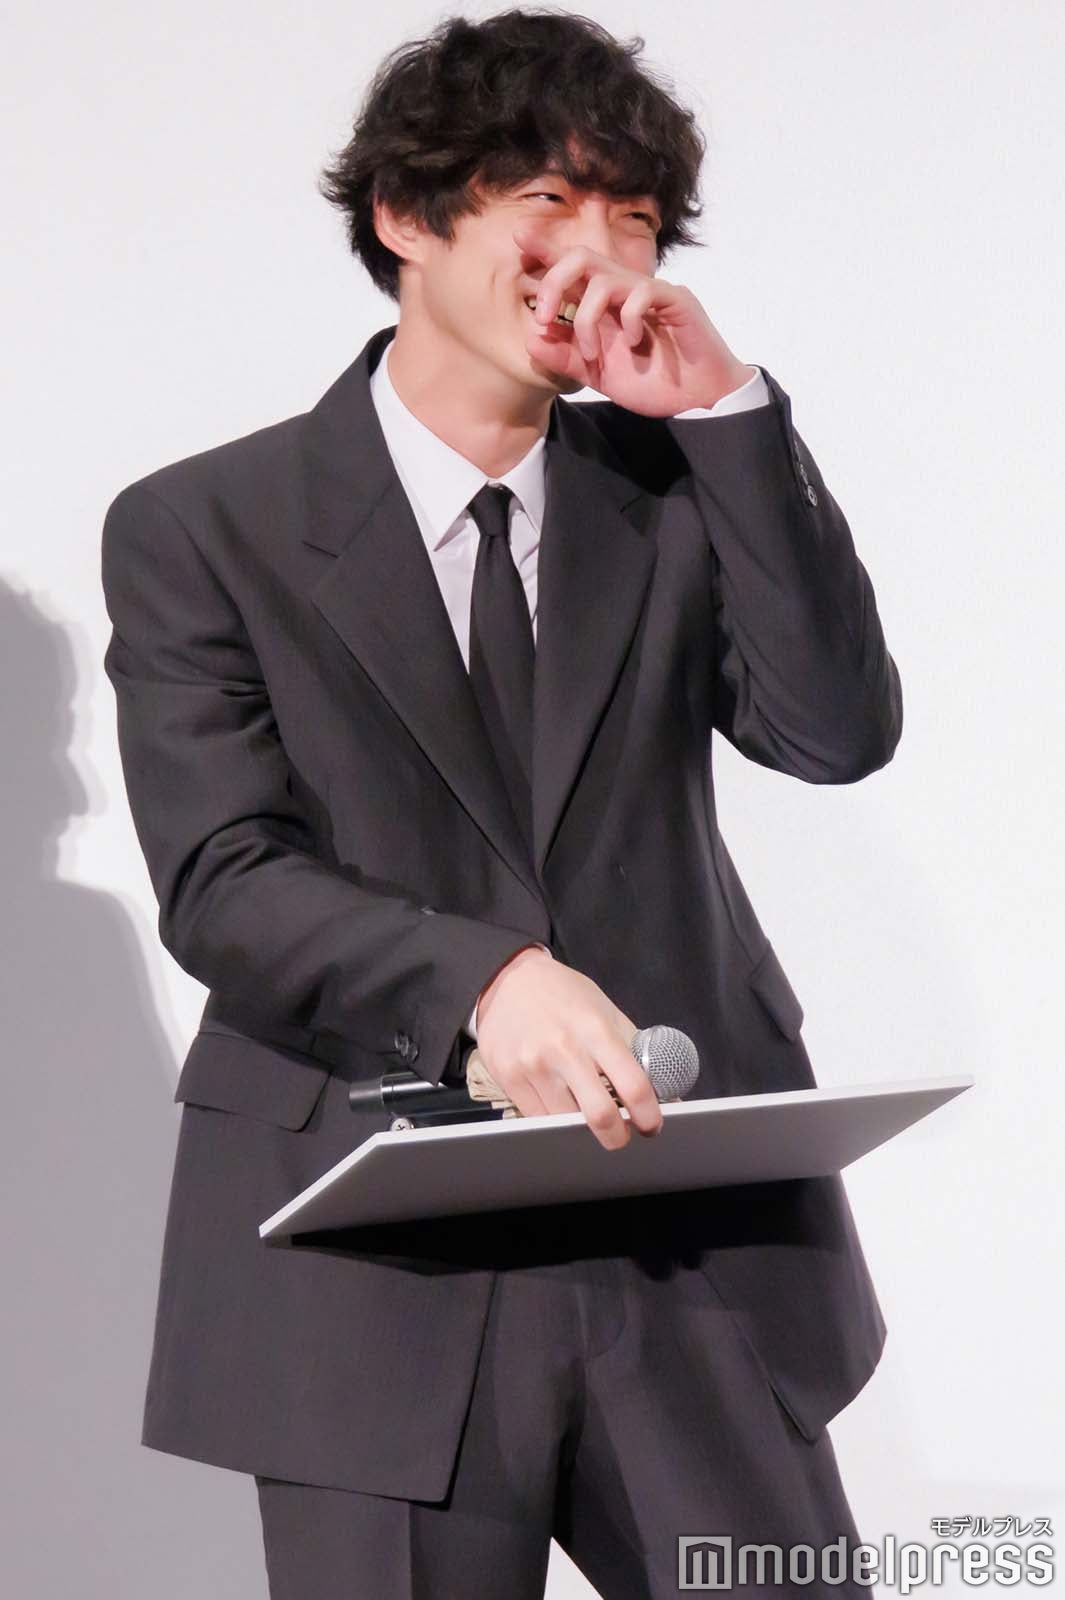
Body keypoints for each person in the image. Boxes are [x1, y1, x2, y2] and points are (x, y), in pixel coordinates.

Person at [100, 9, 903, 1597]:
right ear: (408, 216)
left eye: (634, 217)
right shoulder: (204, 525)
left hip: (679, 1227)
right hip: (372, 1255)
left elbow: (831, 733)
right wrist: (481, 983)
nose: (596, 253)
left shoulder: (673, 492)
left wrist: (727, 419)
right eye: (548, 200)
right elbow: (224, 875)